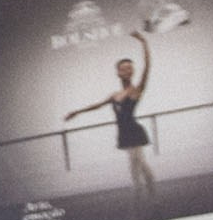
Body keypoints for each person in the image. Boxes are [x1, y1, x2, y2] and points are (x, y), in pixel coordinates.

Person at [65, 31, 155, 208]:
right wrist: (76, 112)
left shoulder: (135, 91)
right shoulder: (115, 95)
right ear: (118, 73)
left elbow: (147, 67)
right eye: (124, 68)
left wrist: (143, 42)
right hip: (124, 133)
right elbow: (97, 105)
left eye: (130, 68)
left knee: (136, 166)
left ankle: (142, 201)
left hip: (134, 131)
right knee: (140, 165)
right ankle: (151, 198)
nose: (128, 70)